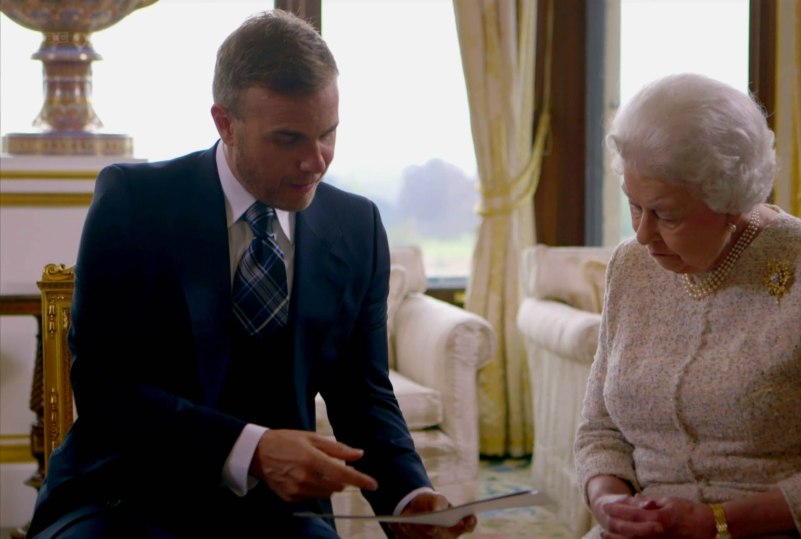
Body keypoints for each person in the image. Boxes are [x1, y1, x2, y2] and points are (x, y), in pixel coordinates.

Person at [26, 10, 476, 539]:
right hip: (124, 495)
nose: (317, 162)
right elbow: (105, 389)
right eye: (288, 140)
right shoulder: (134, 202)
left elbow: (363, 390)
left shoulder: (356, 227)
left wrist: (410, 494)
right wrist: (253, 450)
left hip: (281, 516)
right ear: (225, 123)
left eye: (328, 134)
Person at [574, 73, 801, 539]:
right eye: (634, 206)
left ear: (731, 198)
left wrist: (714, 523)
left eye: (666, 215)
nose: (643, 234)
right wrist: (609, 502)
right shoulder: (630, 267)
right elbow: (600, 431)